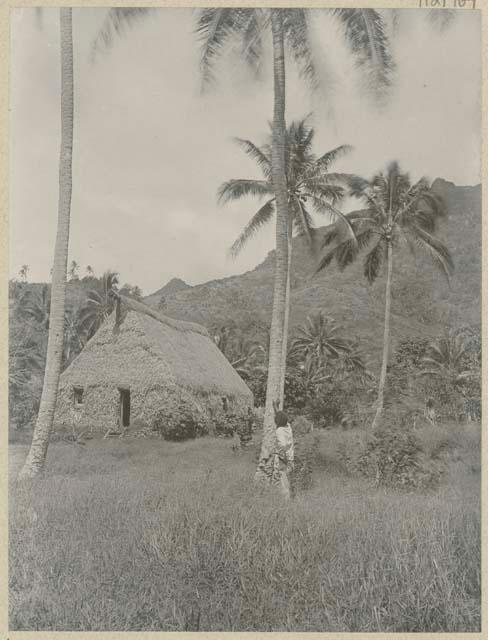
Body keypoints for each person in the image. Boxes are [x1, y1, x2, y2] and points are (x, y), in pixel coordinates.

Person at [272, 410, 294, 499]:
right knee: (287, 480)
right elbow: (282, 417)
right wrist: (275, 407)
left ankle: (286, 502)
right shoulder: (288, 428)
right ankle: (288, 499)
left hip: (283, 459)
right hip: (290, 458)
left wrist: (281, 456)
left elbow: (282, 444)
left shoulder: (279, 430)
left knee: (283, 481)